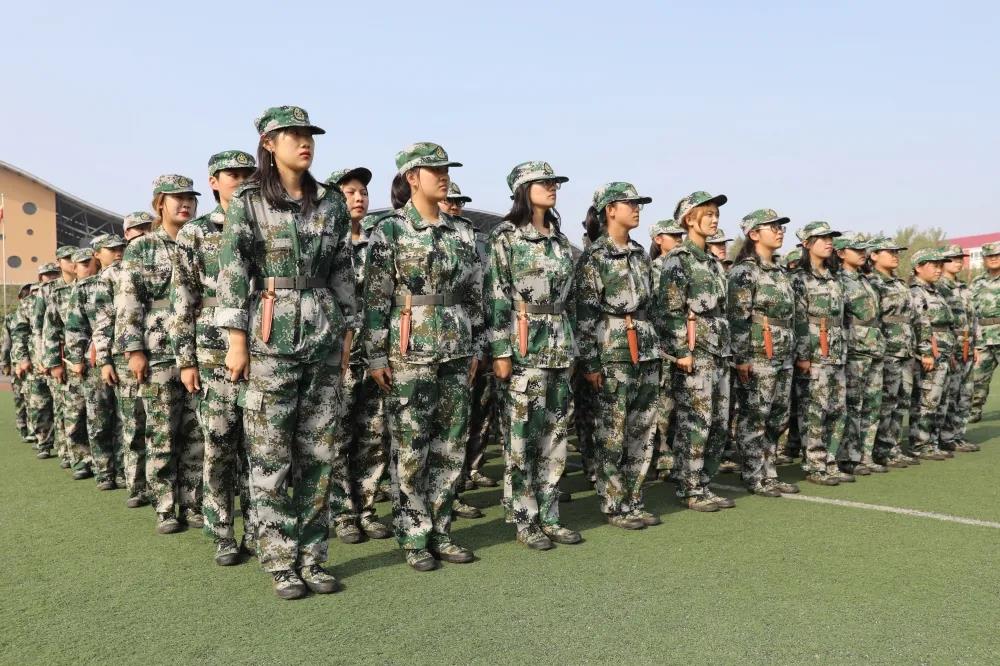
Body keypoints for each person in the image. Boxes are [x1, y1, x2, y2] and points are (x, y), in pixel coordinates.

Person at [216, 105, 355, 599]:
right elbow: (233, 270)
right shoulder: (249, 200)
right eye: (292, 135)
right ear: (268, 144)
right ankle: (279, 560)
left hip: (323, 335)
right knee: (270, 453)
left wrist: (348, 331)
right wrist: (236, 341)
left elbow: (342, 268)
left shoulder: (331, 201)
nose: (304, 142)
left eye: (308, 134)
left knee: (319, 453)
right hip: (270, 338)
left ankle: (313, 557)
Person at [362, 141, 482, 571]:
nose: (444, 177)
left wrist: (477, 346)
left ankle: (442, 530)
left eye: (447, 170)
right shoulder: (390, 230)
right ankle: (414, 535)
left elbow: (475, 293)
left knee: (451, 444)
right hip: (409, 351)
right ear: (412, 177)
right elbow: (376, 299)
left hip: (456, 348)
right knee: (412, 445)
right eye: (436, 170)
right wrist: (376, 357)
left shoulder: (462, 231)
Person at [487, 160, 580, 550]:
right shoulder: (506, 237)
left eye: (554, 182)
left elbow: (570, 299)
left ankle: (550, 514)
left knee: (555, 436)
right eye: (544, 182)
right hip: (524, 346)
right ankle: (525, 519)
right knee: (522, 437)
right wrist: (500, 350)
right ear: (523, 190)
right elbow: (496, 295)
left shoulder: (559, 239)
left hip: (559, 346)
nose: (552, 186)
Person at [173, 150, 258, 566]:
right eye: (231, 174)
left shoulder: (265, 223)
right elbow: (183, 298)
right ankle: (222, 531)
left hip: (263, 345)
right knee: (220, 443)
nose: (240, 180)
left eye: (246, 174)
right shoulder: (195, 233)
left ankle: (259, 530)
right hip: (213, 352)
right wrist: (186, 359)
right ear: (213, 182)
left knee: (261, 447)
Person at [118, 175, 204, 534]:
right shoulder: (143, 247)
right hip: (159, 353)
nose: (185, 204)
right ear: (160, 204)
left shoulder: (201, 240)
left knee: (196, 433)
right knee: (162, 432)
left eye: (190, 198)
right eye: (176, 198)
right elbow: (129, 300)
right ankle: (166, 507)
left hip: (199, 348)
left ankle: (193, 502)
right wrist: (133, 349)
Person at [577, 181, 660, 528]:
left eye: (638, 204)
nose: (637, 209)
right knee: (612, 431)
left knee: (643, 428)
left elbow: (653, 305)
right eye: (630, 204)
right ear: (610, 210)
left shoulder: (640, 253)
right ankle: (614, 503)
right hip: (613, 349)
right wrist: (590, 362)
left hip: (646, 348)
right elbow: (585, 313)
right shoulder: (595, 256)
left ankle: (634, 498)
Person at [323, 166, 392, 544]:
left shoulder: (377, 242)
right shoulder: (325, 243)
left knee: (373, 436)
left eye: (363, 191)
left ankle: (366, 508)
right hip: (337, 357)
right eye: (349, 192)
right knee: (337, 436)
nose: (359, 198)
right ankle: (342, 513)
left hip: (374, 354)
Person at [654, 191, 733, 512]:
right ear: (689, 219)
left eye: (716, 214)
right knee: (695, 423)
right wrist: (680, 351)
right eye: (708, 214)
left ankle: (703, 482)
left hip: (719, 351)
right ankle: (690, 487)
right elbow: (669, 310)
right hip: (695, 352)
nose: (715, 219)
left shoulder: (713, 262)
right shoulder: (679, 259)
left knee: (718, 423)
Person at [727, 209, 799, 496]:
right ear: (754, 234)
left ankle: (770, 472)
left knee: (779, 415)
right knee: (755, 415)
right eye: (773, 227)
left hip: (784, 351)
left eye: (781, 227)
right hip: (758, 352)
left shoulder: (780, 271)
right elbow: (738, 317)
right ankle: (753, 474)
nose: (779, 232)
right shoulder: (744, 271)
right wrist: (741, 357)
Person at [442, 181, 496, 521]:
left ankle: (470, 471)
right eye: (450, 201)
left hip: (476, 337)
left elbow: (484, 292)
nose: (455, 206)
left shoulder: (472, 239)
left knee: (475, 414)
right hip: (438, 340)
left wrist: (483, 343)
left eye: (459, 202)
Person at [93, 221, 150, 507]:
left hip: (162, 351)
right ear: (128, 234)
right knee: (134, 423)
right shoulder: (112, 274)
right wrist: (104, 359)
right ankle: (137, 485)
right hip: (125, 357)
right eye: (138, 230)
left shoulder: (159, 262)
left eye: (148, 228)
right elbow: (103, 320)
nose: (143, 234)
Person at [792, 222, 852, 486]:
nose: (829, 242)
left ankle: (831, 461)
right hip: (815, 353)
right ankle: (815, 465)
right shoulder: (799, 278)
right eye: (822, 238)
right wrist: (803, 355)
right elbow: (799, 320)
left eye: (830, 238)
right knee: (814, 410)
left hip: (837, 352)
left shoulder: (835, 277)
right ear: (807, 244)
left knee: (838, 409)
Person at [63, 247, 119, 489]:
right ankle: (104, 470)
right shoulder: (85, 288)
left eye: (121, 249)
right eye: (112, 250)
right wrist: (76, 359)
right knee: (98, 417)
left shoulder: (124, 277)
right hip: (94, 361)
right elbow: (75, 326)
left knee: (125, 419)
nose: (118, 254)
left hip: (124, 357)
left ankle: (123, 470)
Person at [835, 234, 887, 474]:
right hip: (855, 348)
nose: (862, 253)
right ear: (841, 253)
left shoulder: (866, 280)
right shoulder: (838, 280)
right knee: (853, 405)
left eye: (863, 249)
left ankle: (865, 455)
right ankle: (848, 457)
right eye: (856, 249)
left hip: (874, 347)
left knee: (872, 405)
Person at [867, 236, 918, 468]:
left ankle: (893, 447)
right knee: (886, 402)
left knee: (902, 401)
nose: (895, 255)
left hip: (905, 349)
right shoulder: (872, 282)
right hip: (886, 348)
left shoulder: (899, 283)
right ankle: (880, 449)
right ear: (874, 255)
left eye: (897, 252)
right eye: (890, 251)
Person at [907, 248, 954, 461]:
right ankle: (920, 443)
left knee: (938, 399)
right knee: (927, 399)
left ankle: (932, 442)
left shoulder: (936, 291)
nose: (939, 269)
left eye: (940, 266)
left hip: (943, 350)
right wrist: (926, 352)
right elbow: (921, 323)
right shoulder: (917, 292)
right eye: (934, 265)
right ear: (918, 267)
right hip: (930, 352)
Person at [11, 264, 60, 459]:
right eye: (47, 275)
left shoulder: (63, 293)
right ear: (40, 278)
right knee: (39, 404)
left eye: (54, 274)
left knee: (61, 405)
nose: (51, 278)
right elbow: (19, 332)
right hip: (35, 359)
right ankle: (44, 442)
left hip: (58, 359)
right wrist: (22, 358)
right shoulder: (28, 303)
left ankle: (65, 449)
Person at [647, 219, 683, 481]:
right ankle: (660, 458)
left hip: (682, 346)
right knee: (663, 404)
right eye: (673, 235)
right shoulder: (653, 270)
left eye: (680, 234)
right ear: (658, 240)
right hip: (661, 347)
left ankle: (675, 456)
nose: (679, 238)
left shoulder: (683, 268)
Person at [43, 245, 81, 471]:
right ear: (59, 262)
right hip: (66, 357)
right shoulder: (53, 291)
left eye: (75, 258)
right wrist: (53, 362)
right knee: (68, 408)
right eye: (67, 258)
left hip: (87, 357)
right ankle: (73, 454)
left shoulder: (89, 284)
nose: (72, 262)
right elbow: (48, 329)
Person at [938, 245, 979, 452]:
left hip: (968, 346)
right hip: (951, 347)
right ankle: (945, 437)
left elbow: (973, 319)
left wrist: (976, 344)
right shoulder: (939, 288)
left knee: (965, 394)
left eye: (960, 258)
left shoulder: (964, 288)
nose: (958, 261)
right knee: (950, 395)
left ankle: (957, 435)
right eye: (952, 258)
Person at [970, 242, 1000, 422]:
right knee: (977, 379)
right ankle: (974, 411)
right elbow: (971, 310)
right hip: (983, 338)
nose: (994, 258)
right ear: (984, 259)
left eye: (997, 255)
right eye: (990, 256)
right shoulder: (977, 282)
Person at [2, 285, 33, 443]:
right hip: (19, 364)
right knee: (22, 397)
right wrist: (5, 363)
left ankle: (31, 429)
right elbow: (6, 344)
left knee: (30, 397)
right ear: (20, 298)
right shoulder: (12, 318)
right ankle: (24, 427)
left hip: (33, 362)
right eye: (25, 296)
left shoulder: (36, 313)